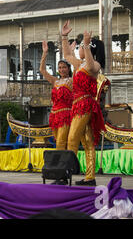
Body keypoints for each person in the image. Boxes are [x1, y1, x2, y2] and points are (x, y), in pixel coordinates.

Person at [61, 20, 106, 186]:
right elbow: (67, 56)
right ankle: (90, 177)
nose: (79, 47)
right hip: (78, 105)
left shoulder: (94, 65)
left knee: (72, 138)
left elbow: (92, 65)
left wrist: (86, 45)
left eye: (82, 45)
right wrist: (64, 37)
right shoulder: (80, 65)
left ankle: (65, 174)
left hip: (85, 104)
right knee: (87, 142)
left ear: (89, 47)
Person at [40, 40, 74, 185]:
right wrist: (45, 53)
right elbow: (42, 70)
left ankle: (61, 176)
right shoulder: (55, 81)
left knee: (61, 143)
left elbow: (79, 70)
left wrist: (71, 54)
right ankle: (61, 174)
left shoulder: (72, 81)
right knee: (58, 143)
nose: (61, 69)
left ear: (68, 68)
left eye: (64, 67)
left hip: (66, 114)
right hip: (54, 116)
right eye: (60, 67)